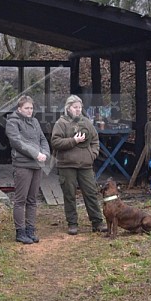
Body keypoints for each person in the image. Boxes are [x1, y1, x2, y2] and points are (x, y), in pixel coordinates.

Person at [51, 94, 107, 235]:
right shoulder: (61, 123)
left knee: (91, 193)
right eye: (75, 107)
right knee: (69, 195)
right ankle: (72, 224)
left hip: (85, 165)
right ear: (68, 108)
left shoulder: (87, 122)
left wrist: (92, 155)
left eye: (80, 107)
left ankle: (97, 222)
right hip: (66, 165)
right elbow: (55, 142)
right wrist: (73, 141)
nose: (78, 110)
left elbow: (95, 140)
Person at [5, 95, 51, 244]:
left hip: (37, 164)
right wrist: (36, 154)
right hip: (23, 164)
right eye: (26, 108)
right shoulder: (12, 122)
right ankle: (20, 232)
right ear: (19, 109)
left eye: (31, 108)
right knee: (20, 200)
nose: (29, 111)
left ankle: (30, 230)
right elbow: (17, 143)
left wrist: (45, 153)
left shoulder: (35, 122)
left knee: (32, 200)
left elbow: (42, 139)